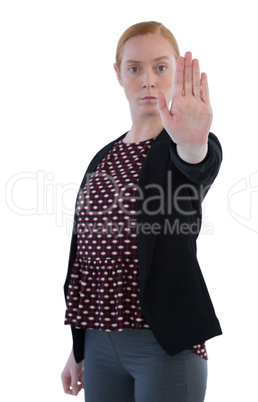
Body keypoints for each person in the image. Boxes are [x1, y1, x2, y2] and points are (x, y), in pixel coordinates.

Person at [61, 21, 222, 402]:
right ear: (118, 75)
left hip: (163, 344)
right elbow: (86, 255)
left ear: (175, 72)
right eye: (135, 68)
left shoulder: (179, 147)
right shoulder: (104, 157)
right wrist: (79, 346)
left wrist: (193, 145)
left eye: (160, 67)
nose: (148, 79)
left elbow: (197, 167)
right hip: (100, 344)